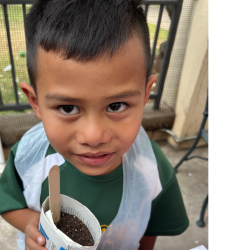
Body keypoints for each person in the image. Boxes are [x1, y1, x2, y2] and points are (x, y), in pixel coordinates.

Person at [0, 0, 189, 249]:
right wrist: (37, 229)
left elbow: (148, 232)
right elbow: (8, 203)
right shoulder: (29, 157)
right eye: (68, 108)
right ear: (35, 102)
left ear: (145, 95)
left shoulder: (152, 171)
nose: (94, 136)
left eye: (116, 105)